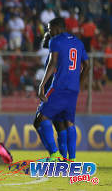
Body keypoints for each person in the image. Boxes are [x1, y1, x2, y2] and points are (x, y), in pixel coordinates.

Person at [35, 17, 89, 161]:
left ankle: (54, 155)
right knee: (67, 123)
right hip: (72, 89)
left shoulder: (56, 41)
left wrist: (41, 86)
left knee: (40, 118)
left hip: (59, 87)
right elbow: (87, 65)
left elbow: (52, 64)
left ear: (57, 27)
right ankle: (70, 159)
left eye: (49, 28)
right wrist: (79, 84)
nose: (49, 31)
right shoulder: (78, 42)